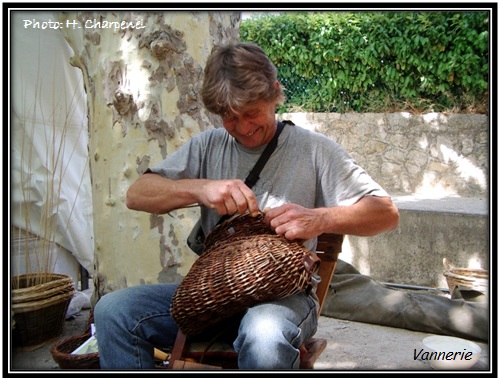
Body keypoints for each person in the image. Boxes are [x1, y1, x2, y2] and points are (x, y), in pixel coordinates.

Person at [94, 42, 399, 369]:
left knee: (264, 333)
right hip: (213, 296)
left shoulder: (314, 150)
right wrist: (200, 188)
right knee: (114, 311)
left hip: (284, 298)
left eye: (251, 113)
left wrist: (319, 218)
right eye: (229, 117)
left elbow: (385, 213)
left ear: (275, 94)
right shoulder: (208, 145)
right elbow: (137, 195)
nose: (243, 127)